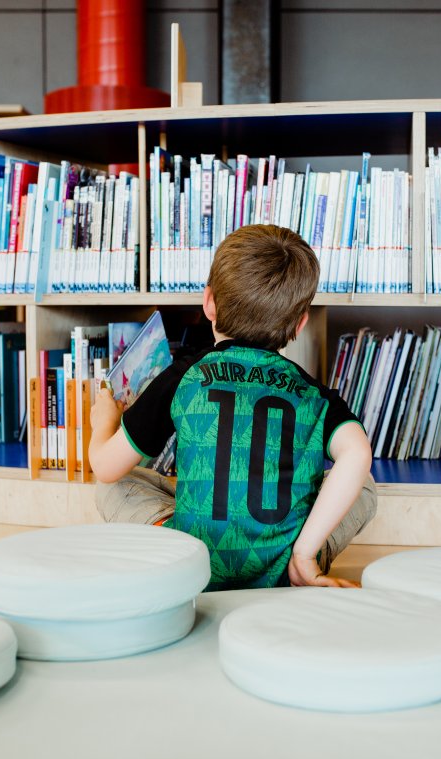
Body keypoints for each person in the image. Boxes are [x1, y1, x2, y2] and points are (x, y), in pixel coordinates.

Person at [89, 224, 376, 590]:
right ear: (300, 324)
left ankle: (171, 546)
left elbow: (104, 467)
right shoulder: (312, 392)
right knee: (363, 485)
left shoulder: (185, 376)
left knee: (111, 486)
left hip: (197, 565)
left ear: (208, 302)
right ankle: (301, 560)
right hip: (283, 564)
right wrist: (304, 553)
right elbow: (358, 453)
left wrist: (105, 421)